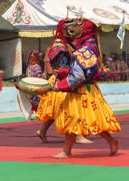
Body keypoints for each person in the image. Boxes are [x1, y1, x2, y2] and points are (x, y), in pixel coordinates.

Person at [52, 18, 121, 158]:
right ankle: (110, 141)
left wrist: (60, 85)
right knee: (82, 119)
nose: (72, 29)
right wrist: (64, 72)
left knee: (74, 118)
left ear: (84, 30)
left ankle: (67, 150)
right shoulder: (90, 46)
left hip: (81, 90)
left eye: (77, 26)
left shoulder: (84, 50)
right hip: (86, 89)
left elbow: (78, 77)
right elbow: (83, 70)